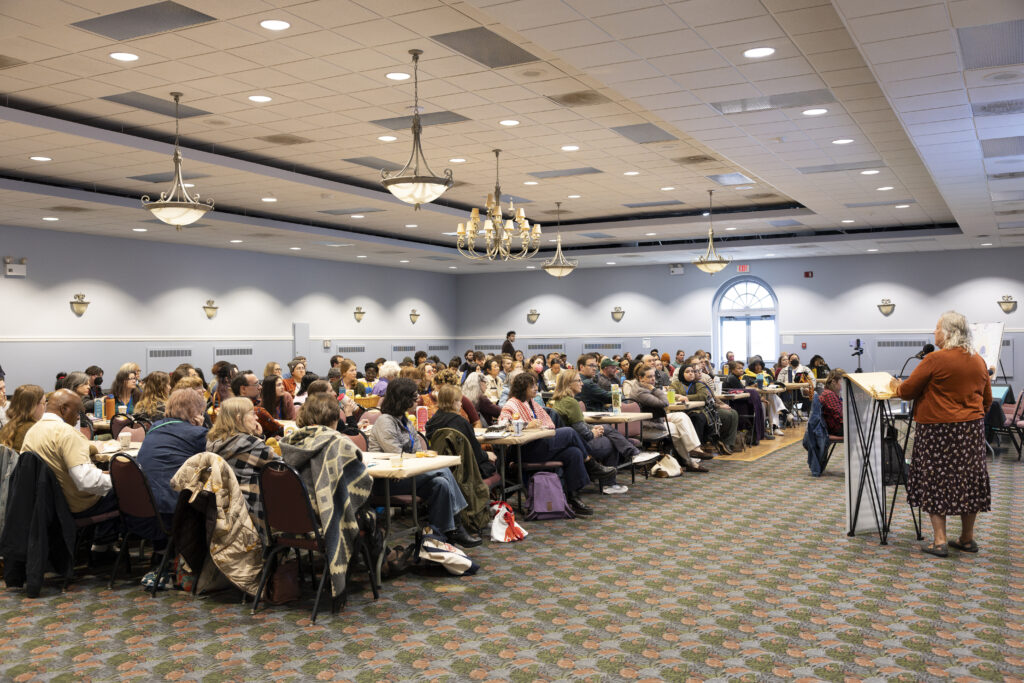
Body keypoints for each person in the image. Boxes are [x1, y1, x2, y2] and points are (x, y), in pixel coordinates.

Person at [889, 311, 992, 557]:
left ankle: (939, 540)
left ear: (947, 333)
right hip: (970, 431)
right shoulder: (978, 360)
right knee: (968, 481)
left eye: (937, 328)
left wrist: (894, 384)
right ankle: (967, 539)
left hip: (937, 430)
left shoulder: (935, 360)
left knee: (935, 481)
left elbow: (907, 391)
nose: (934, 332)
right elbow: (986, 401)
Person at [367, 378, 481, 547]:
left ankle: (438, 537)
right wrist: (418, 457)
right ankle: (456, 526)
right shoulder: (385, 421)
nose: (418, 400)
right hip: (387, 479)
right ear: (403, 399)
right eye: (414, 397)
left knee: (441, 483)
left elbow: (416, 450)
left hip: (408, 475)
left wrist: (418, 456)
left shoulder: (404, 420)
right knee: (443, 471)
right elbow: (398, 455)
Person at [279, 393, 372, 599]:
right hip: (325, 520)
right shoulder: (337, 443)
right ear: (334, 417)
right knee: (370, 519)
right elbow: (362, 480)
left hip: (291, 521)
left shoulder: (290, 442)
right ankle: (376, 569)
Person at [499, 372, 615, 515]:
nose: (536, 388)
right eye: (532, 386)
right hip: (524, 450)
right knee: (569, 432)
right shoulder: (512, 404)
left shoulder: (533, 403)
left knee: (574, 453)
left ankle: (573, 497)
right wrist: (526, 425)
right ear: (523, 388)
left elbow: (548, 424)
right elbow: (504, 424)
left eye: (536, 385)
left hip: (540, 444)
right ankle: (591, 464)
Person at [21, 389, 117, 554]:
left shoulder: (33, 431)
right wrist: (118, 481)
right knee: (130, 490)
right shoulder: (67, 433)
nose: (80, 416)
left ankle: (102, 545)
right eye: (78, 411)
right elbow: (86, 481)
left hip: (49, 505)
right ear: (64, 409)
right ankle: (105, 546)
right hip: (77, 505)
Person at [551, 370, 639, 494]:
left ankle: (630, 451)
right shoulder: (571, 403)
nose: (582, 383)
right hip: (580, 445)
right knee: (612, 442)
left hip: (571, 443)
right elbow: (585, 434)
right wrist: (594, 433)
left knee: (607, 430)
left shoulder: (561, 401)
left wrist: (593, 429)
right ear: (569, 384)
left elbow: (579, 425)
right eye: (578, 381)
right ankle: (610, 483)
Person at [135, 388, 209, 530]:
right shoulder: (198, 434)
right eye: (201, 412)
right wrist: (201, 427)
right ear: (195, 412)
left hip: (143, 505)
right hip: (172, 509)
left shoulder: (155, 427)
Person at [206, 396, 281, 527]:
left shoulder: (212, 442)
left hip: (226, 511)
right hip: (255, 513)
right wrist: (258, 439)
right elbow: (283, 468)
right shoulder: (251, 444)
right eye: (252, 414)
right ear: (239, 418)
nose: (257, 418)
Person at [630, 363, 708, 472]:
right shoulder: (640, 392)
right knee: (676, 430)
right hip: (647, 426)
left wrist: (655, 390)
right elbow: (664, 403)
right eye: (649, 377)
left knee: (682, 416)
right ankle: (690, 461)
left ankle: (695, 449)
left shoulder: (643, 387)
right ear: (640, 378)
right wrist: (654, 389)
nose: (653, 379)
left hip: (655, 419)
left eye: (653, 376)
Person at [424, 383, 496, 479]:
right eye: (459, 401)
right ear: (453, 402)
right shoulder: (460, 422)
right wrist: (486, 455)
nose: (461, 404)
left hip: (441, 468)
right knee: (496, 460)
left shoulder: (431, 423)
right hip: (466, 470)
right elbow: (474, 452)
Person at [0, 384, 45, 451]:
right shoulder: (34, 430)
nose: (45, 407)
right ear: (32, 407)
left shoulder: (7, 428)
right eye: (43, 403)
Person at [819, 369, 846, 436]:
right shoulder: (829, 394)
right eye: (842, 382)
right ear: (834, 381)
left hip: (837, 427)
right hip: (837, 429)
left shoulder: (832, 394)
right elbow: (839, 417)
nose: (844, 385)